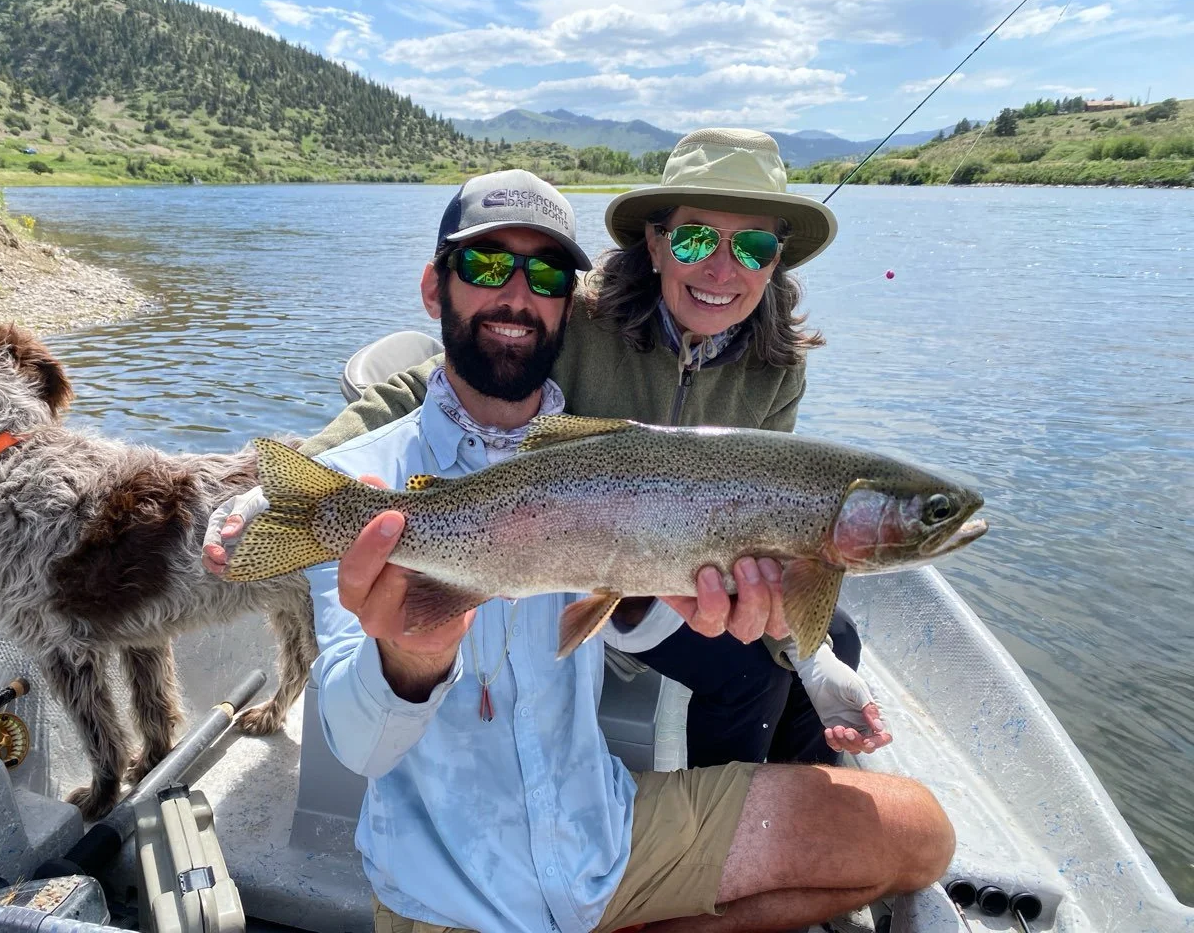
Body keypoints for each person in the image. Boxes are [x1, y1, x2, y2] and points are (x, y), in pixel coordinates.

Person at [211, 170, 954, 933]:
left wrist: (760, 631)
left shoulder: (606, 461)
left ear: (569, 304)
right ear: (436, 289)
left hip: (605, 832)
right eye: (487, 266)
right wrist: (409, 659)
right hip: (451, 888)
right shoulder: (364, 489)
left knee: (921, 832)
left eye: (545, 274)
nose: (516, 296)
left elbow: (652, 584)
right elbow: (357, 745)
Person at [206, 129, 890, 764]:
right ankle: (732, 829)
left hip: (675, 575)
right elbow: (429, 381)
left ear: (775, 263)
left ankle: (776, 820)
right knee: (751, 676)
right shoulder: (578, 312)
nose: (719, 268)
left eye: (753, 249)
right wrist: (294, 477)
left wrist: (815, 658)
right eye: (693, 242)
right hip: (567, 556)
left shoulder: (779, 369)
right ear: (654, 245)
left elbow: (770, 512)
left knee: (834, 642)